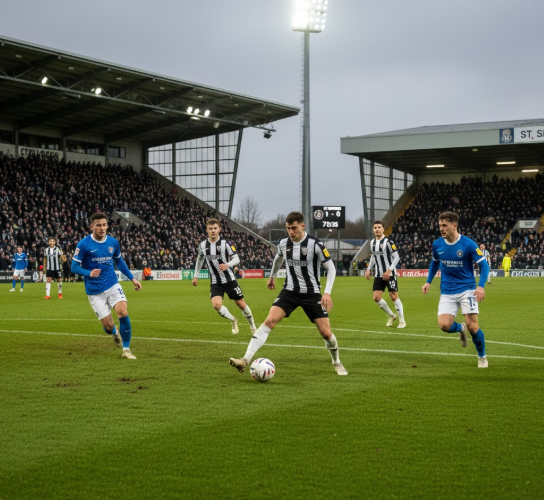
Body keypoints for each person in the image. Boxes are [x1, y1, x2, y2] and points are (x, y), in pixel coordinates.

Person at [229, 211, 348, 376]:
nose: (291, 232)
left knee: (326, 333)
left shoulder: (315, 244)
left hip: (312, 294)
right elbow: (278, 259)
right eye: (288, 228)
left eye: (294, 228)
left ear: (302, 226)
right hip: (290, 291)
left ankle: (336, 362)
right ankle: (245, 359)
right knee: (269, 321)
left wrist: (326, 293)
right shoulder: (284, 243)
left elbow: (331, 268)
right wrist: (272, 276)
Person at [421, 212, 489, 368]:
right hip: (447, 290)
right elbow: (435, 263)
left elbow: (484, 265)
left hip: (467, 289)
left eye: (445, 225)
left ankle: (482, 356)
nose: (441, 229)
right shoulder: (437, 244)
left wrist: (481, 286)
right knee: (444, 325)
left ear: (454, 226)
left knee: (473, 326)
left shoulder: (468, 244)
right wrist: (428, 281)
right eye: (440, 225)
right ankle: (460, 328)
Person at [71, 212, 142, 359]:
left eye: (104, 225)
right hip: (94, 290)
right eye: (98, 225)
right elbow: (74, 267)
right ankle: (115, 333)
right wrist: (88, 273)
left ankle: (126, 350)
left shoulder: (113, 242)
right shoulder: (83, 244)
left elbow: (119, 262)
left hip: (112, 284)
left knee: (122, 311)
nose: (102, 228)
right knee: (108, 327)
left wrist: (132, 278)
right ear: (92, 226)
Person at [192, 218, 256, 335]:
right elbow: (200, 259)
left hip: (229, 279)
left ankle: (252, 326)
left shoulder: (225, 244)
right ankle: (233, 319)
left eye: (215, 228)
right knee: (216, 305)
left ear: (219, 229)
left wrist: (227, 265)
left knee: (241, 304)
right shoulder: (202, 245)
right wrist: (195, 275)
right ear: (207, 230)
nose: (213, 231)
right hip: (216, 281)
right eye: (210, 228)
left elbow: (236, 258)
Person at [365, 220, 406, 328]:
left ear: (383, 229)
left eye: (379, 227)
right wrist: (369, 269)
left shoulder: (388, 242)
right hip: (378, 274)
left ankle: (402, 321)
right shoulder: (372, 242)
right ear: (373, 230)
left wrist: (389, 270)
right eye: (375, 228)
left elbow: (397, 257)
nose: (377, 229)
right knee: (376, 297)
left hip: (390, 274)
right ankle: (392, 315)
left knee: (393, 296)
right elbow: (373, 257)